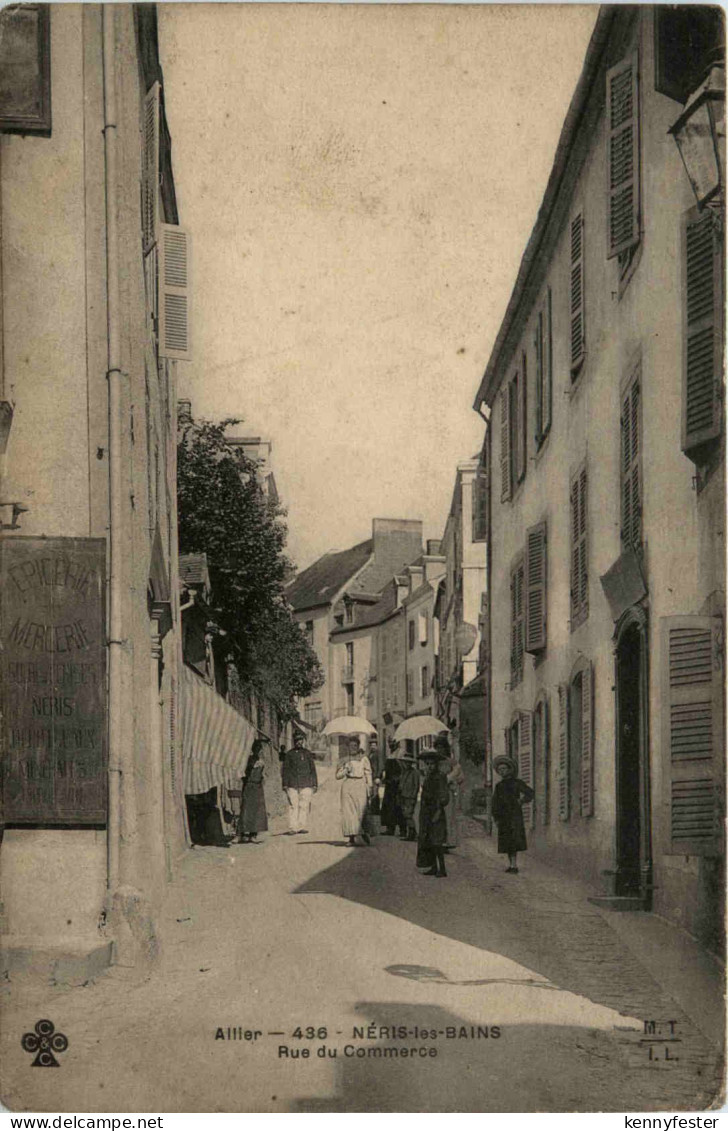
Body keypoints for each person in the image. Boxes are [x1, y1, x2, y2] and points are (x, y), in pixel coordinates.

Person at [491, 754, 534, 873]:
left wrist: (521, 801)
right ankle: (511, 864)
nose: (502, 771)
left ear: (510, 769)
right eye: (500, 770)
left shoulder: (517, 783)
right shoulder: (499, 786)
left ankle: (514, 865)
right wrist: (495, 816)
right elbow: (495, 801)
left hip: (514, 815)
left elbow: (530, 793)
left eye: (504, 769)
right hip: (503, 816)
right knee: (507, 841)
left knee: (514, 840)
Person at [416, 749, 451, 877]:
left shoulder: (440, 776)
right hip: (426, 811)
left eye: (432, 764)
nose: (430, 766)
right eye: (428, 764)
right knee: (428, 839)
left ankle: (442, 868)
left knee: (437, 840)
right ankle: (433, 866)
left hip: (436, 810)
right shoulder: (428, 776)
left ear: (437, 764)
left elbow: (444, 796)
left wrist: (438, 811)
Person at [336, 736, 373, 846]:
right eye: (351, 746)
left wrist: (369, 787)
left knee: (361, 810)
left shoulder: (363, 758)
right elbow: (337, 776)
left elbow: (368, 773)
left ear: (358, 746)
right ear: (348, 747)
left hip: (360, 785)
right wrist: (346, 769)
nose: (353, 748)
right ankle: (351, 838)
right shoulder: (344, 759)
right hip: (348, 786)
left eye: (355, 746)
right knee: (348, 812)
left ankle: (364, 832)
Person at [281, 730, 319, 834]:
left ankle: (302, 826)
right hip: (292, 784)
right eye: (297, 740)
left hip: (306, 783)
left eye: (300, 740)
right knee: (293, 805)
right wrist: (285, 784)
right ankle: (293, 827)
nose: (299, 742)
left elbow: (312, 770)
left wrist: (315, 784)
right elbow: (285, 770)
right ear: (294, 741)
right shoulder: (289, 754)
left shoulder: (307, 754)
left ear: (303, 741)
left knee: (304, 805)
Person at [433, 735, 465, 850]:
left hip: (447, 792)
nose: (439, 750)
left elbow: (461, 777)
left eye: (442, 747)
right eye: (437, 747)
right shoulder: (433, 762)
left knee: (448, 816)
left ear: (445, 748)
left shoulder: (451, 762)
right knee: (435, 816)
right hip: (435, 791)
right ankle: (438, 840)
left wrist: (452, 781)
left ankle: (448, 841)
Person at [237, 739, 268, 844]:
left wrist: (262, 779)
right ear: (252, 749)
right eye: (256, 749)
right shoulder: (247, 760)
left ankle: (253, 834)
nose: (258, 751)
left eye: (259, 749)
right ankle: (242, 834)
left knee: (257, 811)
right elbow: (243, 774)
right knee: (246, 810)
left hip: (258, 787)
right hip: (249, 786)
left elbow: (263, 775)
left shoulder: (262, 762)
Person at [397, 747, 420, 841]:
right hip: (403, 795)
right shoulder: (404, 772)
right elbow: (401, 782)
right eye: (405, 762)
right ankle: (411, 831)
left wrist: (414, 796)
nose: (406, 764)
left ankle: (412, 832)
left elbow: (416, 785)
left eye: (408, 762)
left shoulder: (415, 773)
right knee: (405, 814)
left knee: (409, 814)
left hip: (410, 796)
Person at [380, 740, 403, 835]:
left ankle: (403, 829)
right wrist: (383, 775)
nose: (391, 746)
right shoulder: (391, 754)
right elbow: (386, 769)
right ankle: (390, 828)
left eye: (393, 744)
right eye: (390, 744)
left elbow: (402, 769)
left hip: (398, 785)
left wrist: (397, 779)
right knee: (388, 806)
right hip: (389, 785)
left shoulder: (401, 753)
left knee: (399, 806)